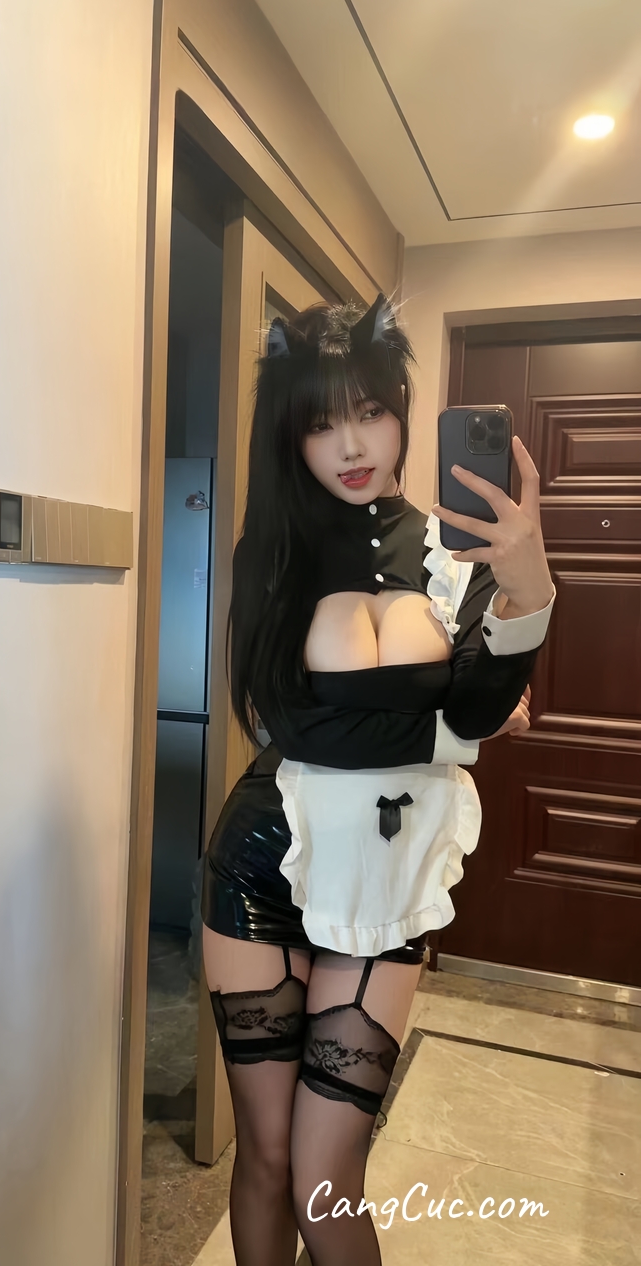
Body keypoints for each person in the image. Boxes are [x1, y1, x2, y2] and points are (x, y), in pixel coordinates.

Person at [200, 296, 555, 1266]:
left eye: (369, 411)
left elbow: (481, 705)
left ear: (402, 409)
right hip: (263, 860)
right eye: (321, 422)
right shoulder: (273, 548)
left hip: (388, 880)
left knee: (326, 1174)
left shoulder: (457, 548)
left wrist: (529, 589)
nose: (351, 444)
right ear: (292, 435)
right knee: (268, 1157)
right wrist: (447, 731)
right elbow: (292, 719)